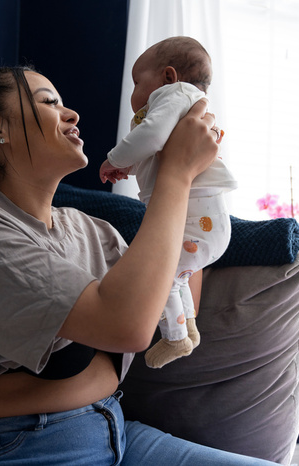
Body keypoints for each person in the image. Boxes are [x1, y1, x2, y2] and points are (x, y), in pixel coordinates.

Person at [0, 65, 277, 465]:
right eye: (49, 102)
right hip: (13, 445)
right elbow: (128, 326)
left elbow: (168, 298)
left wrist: (192, 183)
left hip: (114, 428)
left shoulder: (91, 230)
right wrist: (175, 172)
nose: (72, 114)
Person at [100, 37, 237, 368]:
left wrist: (113, 159)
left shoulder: (175, 95)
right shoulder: (183, 107)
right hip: (205, 223)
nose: (134, 92)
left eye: (136, 81)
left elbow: (152, 136)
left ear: (168, 77)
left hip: (197, 222)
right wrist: (129, 166)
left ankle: (175, 340)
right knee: (176, 277)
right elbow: (158, 152)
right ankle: (187, 328)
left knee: (162, 277)